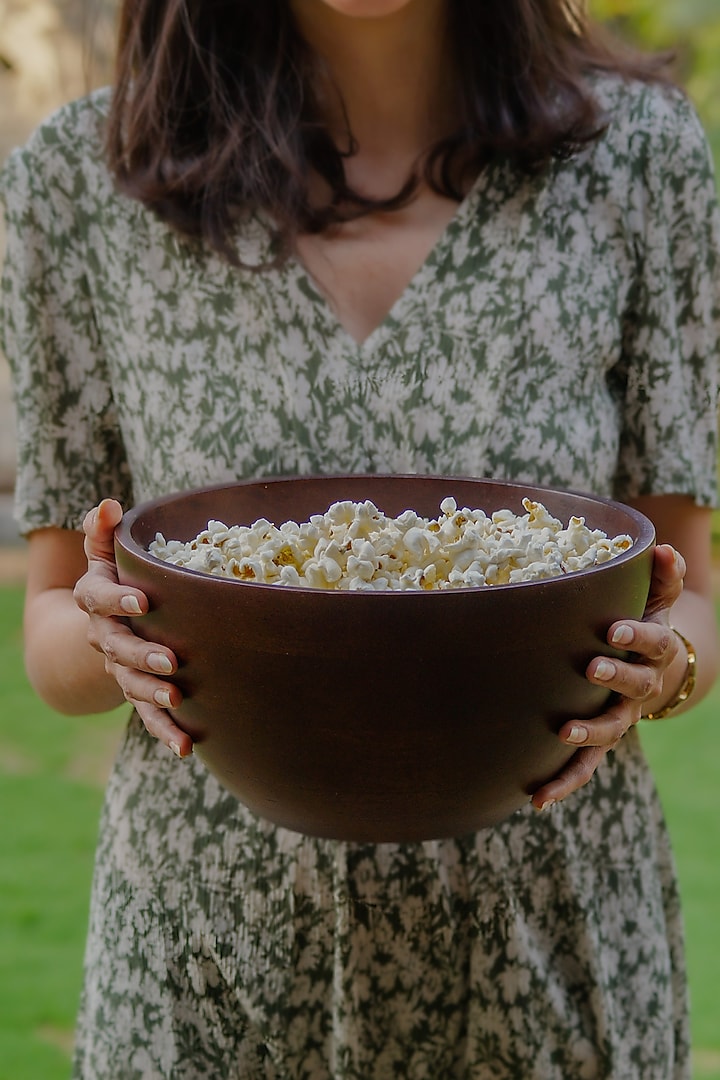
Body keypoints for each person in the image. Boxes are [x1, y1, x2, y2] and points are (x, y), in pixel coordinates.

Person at [1, 0, 719, 1076]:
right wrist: (107, 637)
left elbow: (688, 592)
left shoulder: (642, 162)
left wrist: (667, 668)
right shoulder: (82, 181)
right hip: (213, 958)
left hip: (538, 943)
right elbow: (53, 630)